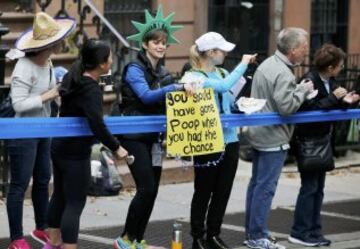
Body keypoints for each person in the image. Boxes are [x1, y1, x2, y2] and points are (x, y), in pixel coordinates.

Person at [113, 6, 195, 249]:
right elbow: (146, 96)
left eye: (164, 43)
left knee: (152, 191)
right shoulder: (134, 68)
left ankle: (138, 239)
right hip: (134, 136)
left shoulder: (161, 70)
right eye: (156, 42)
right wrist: (175, 88)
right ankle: (125, 238)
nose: (161, 46)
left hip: (154, 139)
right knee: (145, 188)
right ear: (145, 44)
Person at [44, 39, 129, 249]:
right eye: (109, 57)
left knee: (60, 195)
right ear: (101, 63)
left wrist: (105, 78)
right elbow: (97, 123)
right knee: (75, 202)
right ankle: (69, 246)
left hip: (60, 147)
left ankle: (53, 243)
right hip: (75, 152)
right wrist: (116, 147)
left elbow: (104, 90)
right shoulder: (90, 88)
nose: (111, 59)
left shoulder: (74, 77)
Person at [6, 12, 76, 249]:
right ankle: (16, 238)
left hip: (44, 128)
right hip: (23, 132)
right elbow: (18, 104)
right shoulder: (23, 67)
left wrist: (59, 97)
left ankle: (41, 226)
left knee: (43, 179)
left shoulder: (48, 62)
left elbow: (49, 96)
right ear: (47, 44)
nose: (60, 43)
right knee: (19, 184)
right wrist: (49, 94)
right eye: (56, 40)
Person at [183, 32, 256, 249]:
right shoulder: (193, 77)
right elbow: (223, 87)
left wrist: (243, 103)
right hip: (207, 142)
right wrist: (243, 64)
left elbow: (228, 98)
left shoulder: (223, 72)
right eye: (222, 50)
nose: (225, 54)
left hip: (230, 139)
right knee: (203, 191)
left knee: (223, 191)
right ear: (211, 52)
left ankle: (213, 234)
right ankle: (197, 236)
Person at [244, 27, 314, 249]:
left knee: (256, 186)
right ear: (293, 50)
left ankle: (253, 233)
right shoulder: (283, 72)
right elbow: (286, 107)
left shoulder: (268, 64)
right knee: (265, 189)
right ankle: (257, 236)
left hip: (259, 133)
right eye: (304, 47)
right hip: (273, 138)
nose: (306, 51)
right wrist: (302, 91)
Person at [288, 44, 359, 247]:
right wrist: (333, 98)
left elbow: (332, 106)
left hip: (324, 141)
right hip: (309, 142)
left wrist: (348, 101)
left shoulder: (331, 81)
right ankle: (300, 231)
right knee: (309, 187)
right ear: (330, 67)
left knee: (318, 189)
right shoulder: (309, 81)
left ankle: (314, 231)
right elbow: (309, 109)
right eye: (340, 65)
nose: (342, 68)